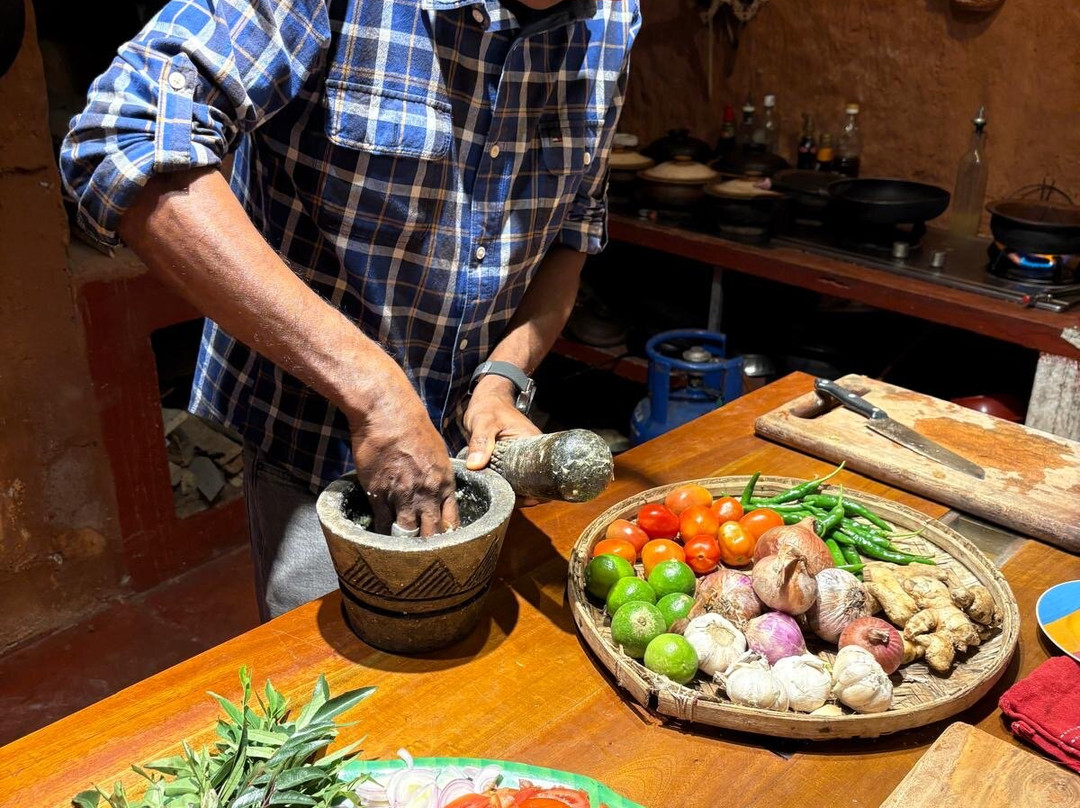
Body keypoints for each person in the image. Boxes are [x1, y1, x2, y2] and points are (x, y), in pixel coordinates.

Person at [60, 0, 640, 619]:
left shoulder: (612, 20)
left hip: (474, 460)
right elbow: (125, 136)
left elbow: (571, 239)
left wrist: (501, 380)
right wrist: (374, 392)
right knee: (336, 696)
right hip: (318, 457)